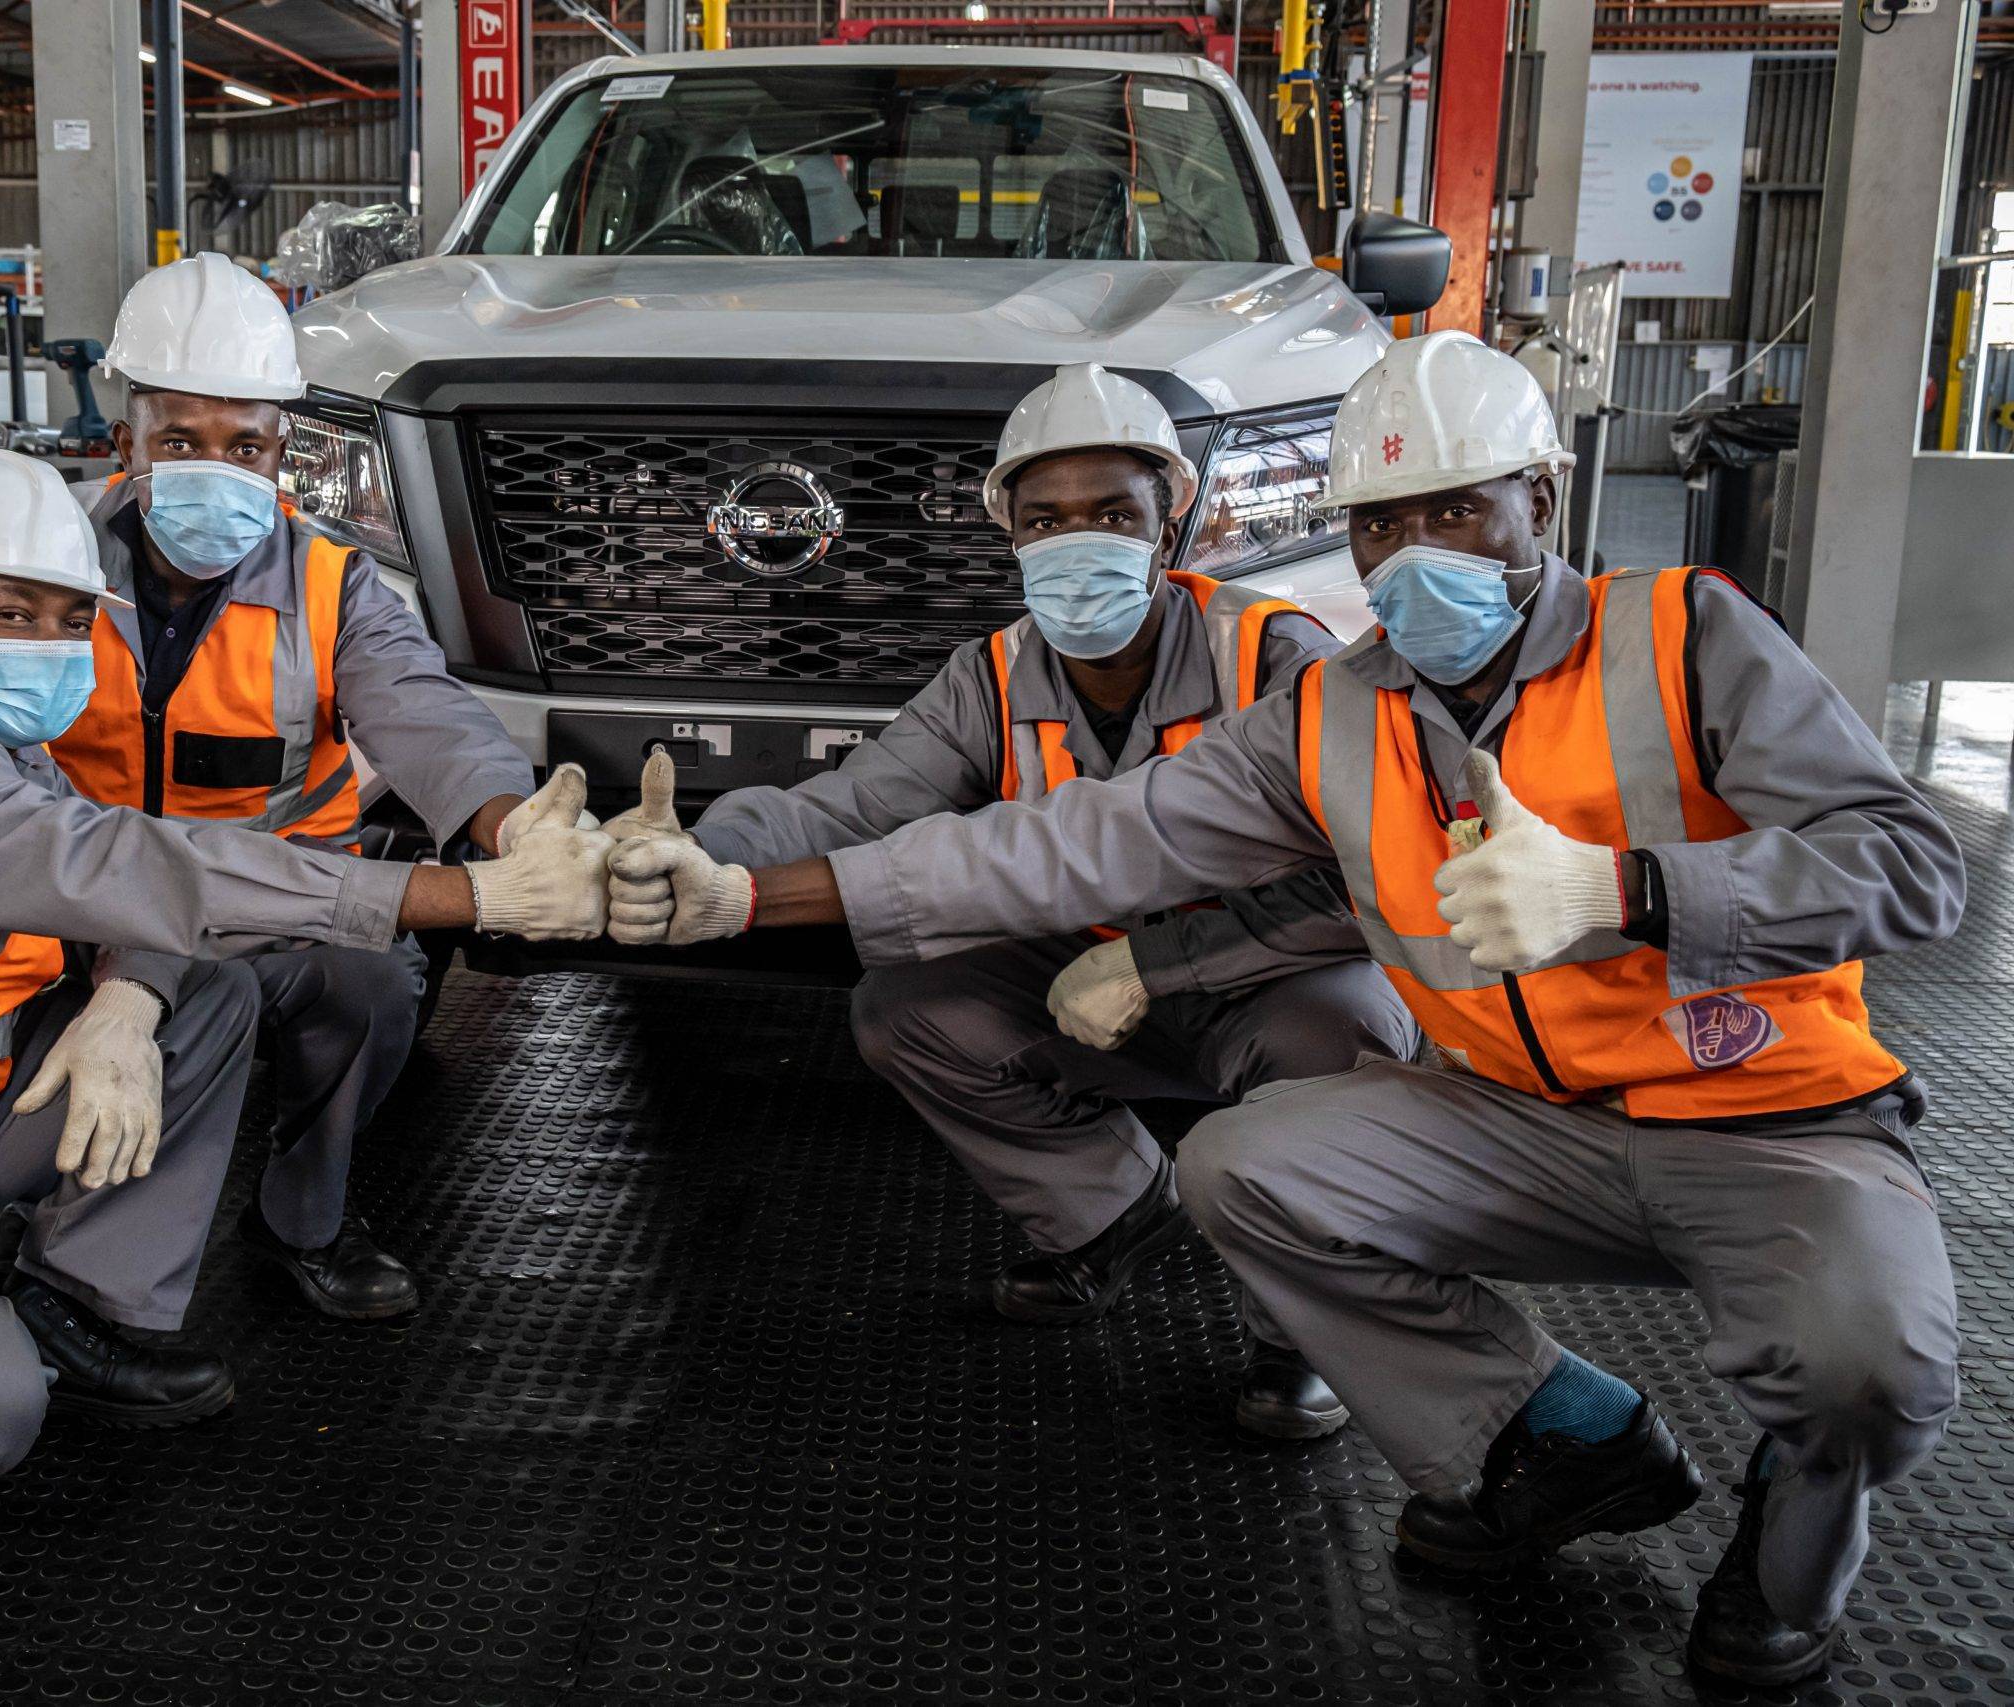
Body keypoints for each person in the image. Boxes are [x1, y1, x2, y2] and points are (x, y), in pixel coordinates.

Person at [606, 332, 1964, 1685]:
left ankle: (1798, 1521)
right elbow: (1066, 842)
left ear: (1540, 502)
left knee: (1864, 1368)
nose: (1418, 549)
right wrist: (744, 890)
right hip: (1516, 1116)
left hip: (1769, 1120)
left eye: (1457, 507)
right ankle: (1561, 1435)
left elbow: (1912, 865)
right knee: (1244, 1166)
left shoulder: (1684, 636)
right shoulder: (1328, 712)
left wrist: (1627, 885)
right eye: (1383, 522)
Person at [0, 450, 613, 1504]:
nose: (49, 646)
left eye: (65, 619)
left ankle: (78, 1304)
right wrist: (469, 898)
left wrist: (125, 1001)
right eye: (13, 613)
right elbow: (134, 864)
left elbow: (120, 862)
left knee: (204, 990)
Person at [611, 363, 1416, 1440]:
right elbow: (852, 807)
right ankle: (1114, 1217)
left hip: (1264, 978)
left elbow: (1359, 877)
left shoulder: (1273, 658)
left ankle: (1306, 1329)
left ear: (1167, 524)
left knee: (1346, 1034)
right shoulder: (988, 675)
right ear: (1011, 538)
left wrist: (1165, 966)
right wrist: (700, 852)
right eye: (1046, 519)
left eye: (1110, 514)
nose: (1077, 540)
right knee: (906, 1009)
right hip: (1077, 980)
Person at [45, 254, 541, 1322]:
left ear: (283, 456)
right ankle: (19, 1209)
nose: (214, 471)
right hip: (67, 903)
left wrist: (514, 821)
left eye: (245, 447)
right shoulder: (44, 562)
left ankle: (300, 1218)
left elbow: (423, 711)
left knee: (371, 983)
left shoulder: (333, 581)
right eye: (180, 441)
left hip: (262, 905)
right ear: (124, 442)